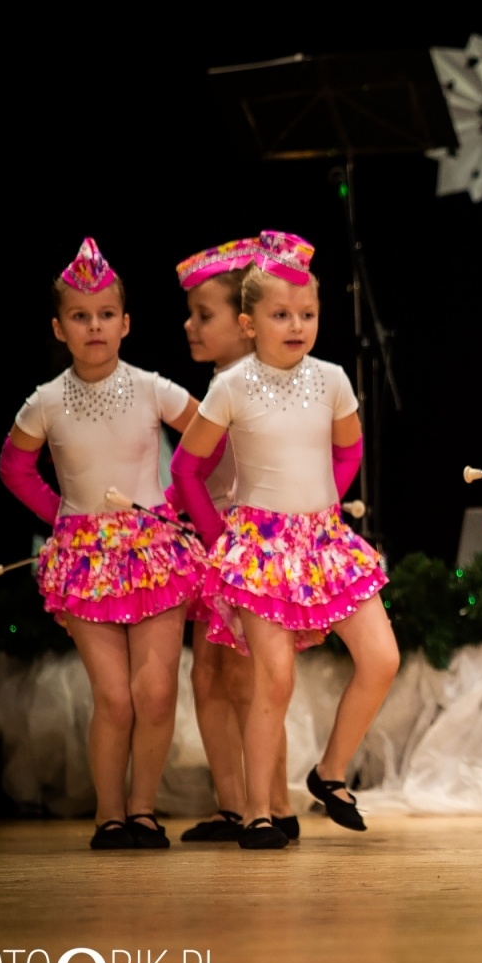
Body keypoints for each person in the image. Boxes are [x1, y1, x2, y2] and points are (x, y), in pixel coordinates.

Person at [172, 230, 398, 850]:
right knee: (273, 677)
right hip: (259, 547)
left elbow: (348, 447)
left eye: (307, 314)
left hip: (324, 541)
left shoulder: (331, 379)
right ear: (248, 323)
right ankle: (257, 813)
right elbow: (187, 471)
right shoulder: (231, 386)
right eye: (280, 315)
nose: (296, 325)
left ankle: (329, 772)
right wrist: (224, 541)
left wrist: (322, 500)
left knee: (382, 658)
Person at [0, 238, 204, 849]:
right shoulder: (45, 400)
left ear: (126, 323)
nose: (95, 326)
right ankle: (109, 815)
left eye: (106, 315)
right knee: (114, 697)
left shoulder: (151, 388)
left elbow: (206, 438)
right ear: (59, 328)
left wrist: (172, 502)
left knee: (155, 688)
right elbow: (13, 468)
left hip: (154, 553)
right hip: (84, 561)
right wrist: (62, 516)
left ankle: (143, 811)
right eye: (81, 317)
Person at [172, 238, 297, 844]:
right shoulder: (226, 387)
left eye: (204, 314)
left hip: (246, 547)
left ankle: (267, 803)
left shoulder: (253, 387)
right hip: (217, 547)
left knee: (252, 677)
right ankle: (240, 802)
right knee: (212, 676)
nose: (191, 326)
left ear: (244, 327)